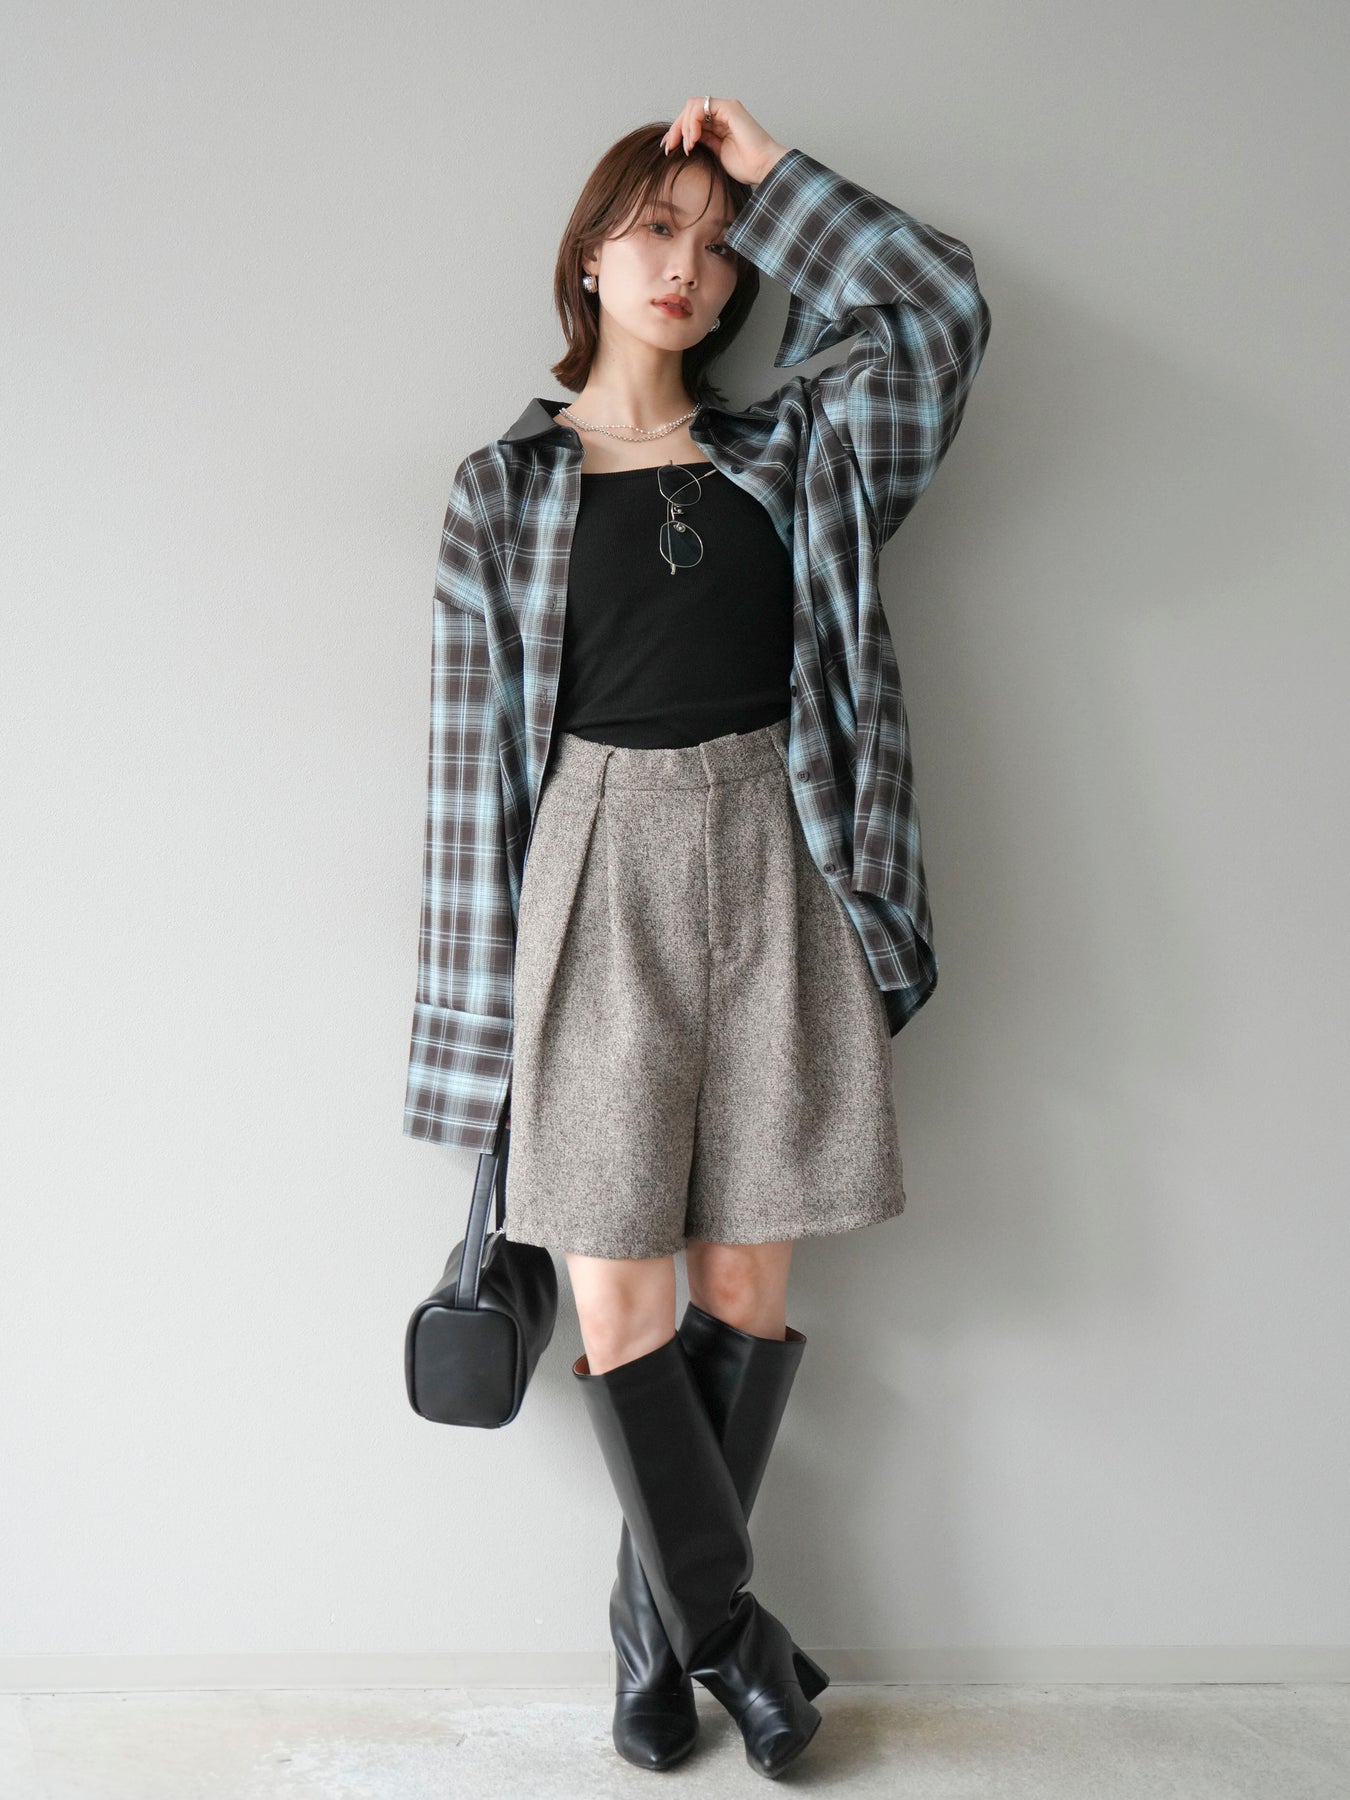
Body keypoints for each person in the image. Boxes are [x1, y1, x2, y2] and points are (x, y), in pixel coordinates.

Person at [403, 96, 992, 1778]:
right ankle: (733, 1640)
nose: (691, 267)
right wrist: (474, 1038)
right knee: (616, 1291)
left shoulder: (800, 449)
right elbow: (471, 773)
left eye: (719, 245)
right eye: (656, 230)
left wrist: (769, 174)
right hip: (590, 871)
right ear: (589, 255)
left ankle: (652, 1642)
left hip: (777, 855)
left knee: (742, 1280)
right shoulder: (501, 490)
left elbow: (938, 308)